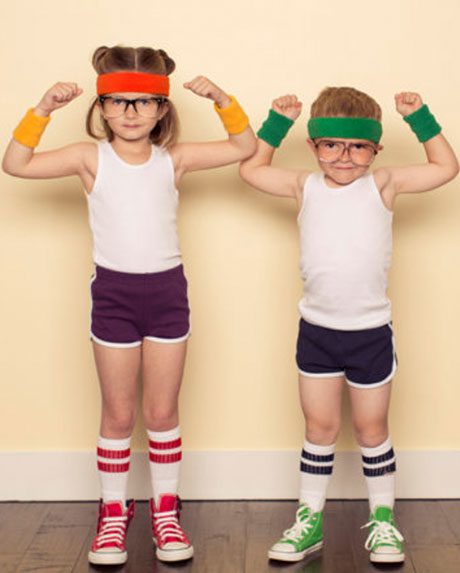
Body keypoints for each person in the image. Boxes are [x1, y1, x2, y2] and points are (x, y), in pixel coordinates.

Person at [2, 45, 256, 566]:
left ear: (162, 109)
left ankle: (165, 510)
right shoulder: (87, 157)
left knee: (161, 412)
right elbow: (16, 164)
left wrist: (220, 98)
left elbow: (243, 146)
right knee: (118, 414)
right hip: (113, 297)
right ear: (101, 108)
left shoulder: (174, 159)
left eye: (143, 103)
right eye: (118, 103)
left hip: (167, 295)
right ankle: (113, 513)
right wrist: (43, 108)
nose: (131, 113)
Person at [240, 87, 458, 564]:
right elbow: (251, 169)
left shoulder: (383, 184)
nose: (344, 156)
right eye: (331, 144)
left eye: (358, 146)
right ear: (314, 147)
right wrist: (276, 124)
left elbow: (446, 167)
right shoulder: (304, 186)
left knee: (371, 427)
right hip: (316, 330)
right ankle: (309, 519)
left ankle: (383, 521)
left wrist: (419, 117)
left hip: (370, 333)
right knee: (319, 427)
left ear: (376, 149)